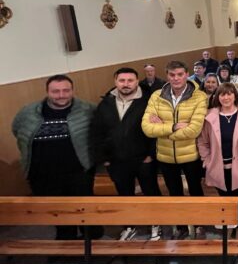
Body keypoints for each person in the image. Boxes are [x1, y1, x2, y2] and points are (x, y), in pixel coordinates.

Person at [12, 74, 102, 240]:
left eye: (66, 90)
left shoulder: (87, 109)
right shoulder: (28, 112)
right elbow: (17, 130)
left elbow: (99, 133)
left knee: (84, 208)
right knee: (57, 212)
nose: (61, 95)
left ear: (72, 90)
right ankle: (66, 243)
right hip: (42, 174)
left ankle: (92, 240)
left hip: (78, 172)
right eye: (56, 91)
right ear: (47, 92)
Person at [91, 67, 161, 241]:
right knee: (124, 194)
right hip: (116, 160)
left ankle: (156, 224)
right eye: (122, 80)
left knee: (151, 192)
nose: (126, 84)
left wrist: (151, 155)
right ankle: (130, 225)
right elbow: (97, 131)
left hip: (143, 157)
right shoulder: (106, 103)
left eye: (130, 80)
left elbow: (156, 129)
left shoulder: (148, 100)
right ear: (116, 82)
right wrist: (104, 159)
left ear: (137, 81)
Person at [141, 61, 208, 239]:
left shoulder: (199, 96)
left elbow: (194, 129)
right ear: (167, 75)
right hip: (165, 155)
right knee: (174, 192)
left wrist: (162, 128)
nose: (176, 78)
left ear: (187, 74)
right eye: (172, 75)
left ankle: (200, 223)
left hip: (191, 154)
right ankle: (181, 226)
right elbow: (147, 128)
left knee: (195, 190)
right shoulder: (157, 95)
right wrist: (172, 127)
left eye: (179, 74)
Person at [197, 83, 238, 239]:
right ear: (218, 97)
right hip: (218, 165)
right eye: (222, 94)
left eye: (229, 94)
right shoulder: (209, 116)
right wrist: (206, 160)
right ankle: (230, 223)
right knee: (225, 197)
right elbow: (203, 141)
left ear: (235, 96)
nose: (226, 97)